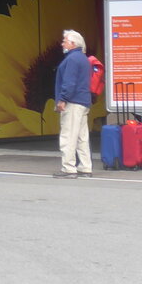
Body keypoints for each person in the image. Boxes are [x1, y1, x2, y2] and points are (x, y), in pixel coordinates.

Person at [53, 28, 92, 178]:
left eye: (65, 41)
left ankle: (68, 168)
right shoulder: (83, 58)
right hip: (83, 101)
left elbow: (69, 82)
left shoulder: (71, 59)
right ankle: (85, 167)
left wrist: (62, 99)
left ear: (73, 43)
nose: (62, 44)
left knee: (68, 136)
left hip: (72, 102)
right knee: (82, 137)